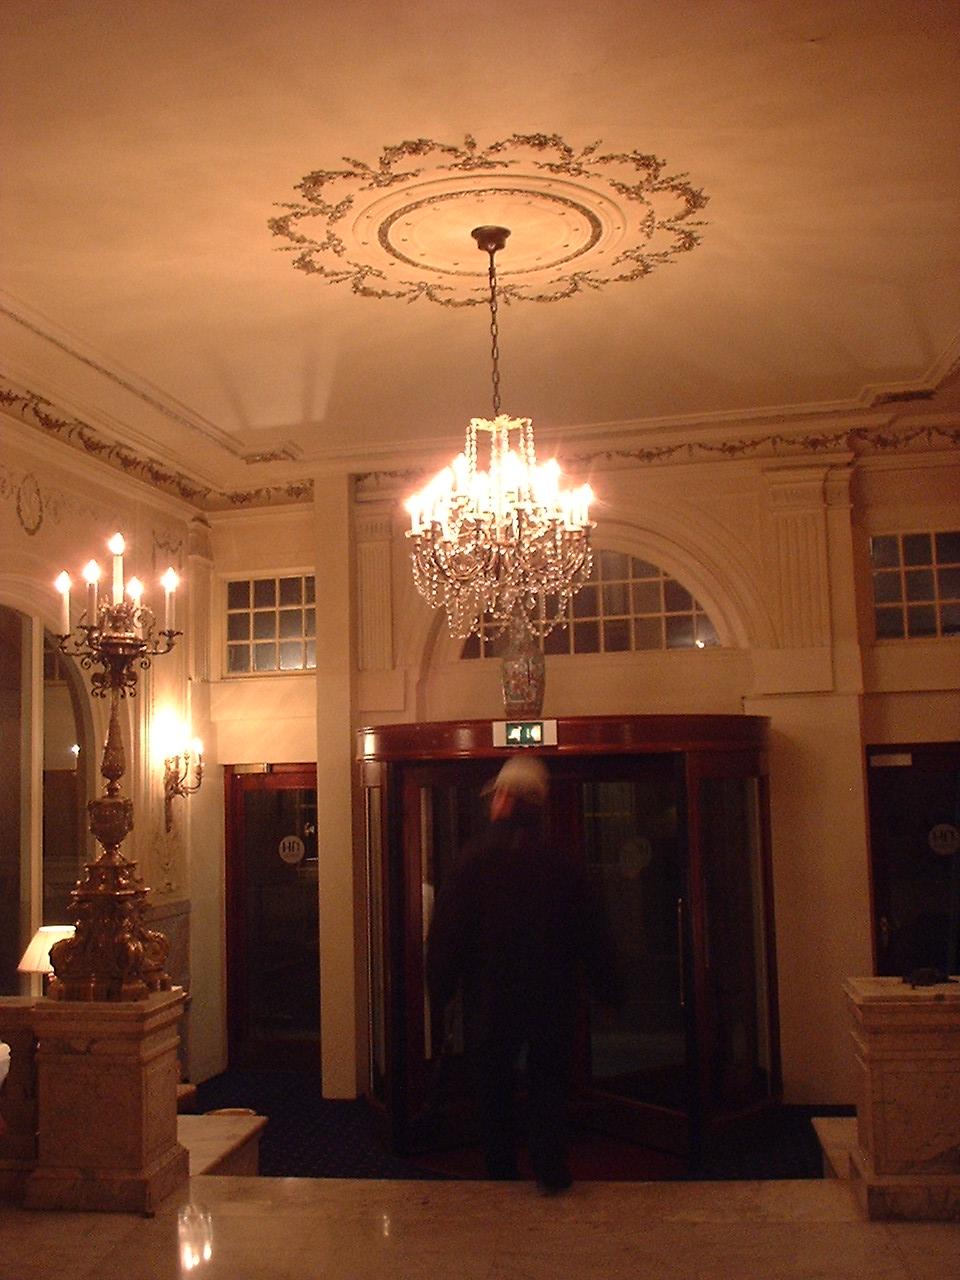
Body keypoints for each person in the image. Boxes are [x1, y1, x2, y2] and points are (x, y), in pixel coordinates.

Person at [426, 755, 620, 1193]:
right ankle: (549, 1167)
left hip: (491, 998)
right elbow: (593, 932)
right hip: (551, 996)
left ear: (506, 799)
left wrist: (440, 991)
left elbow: (448, 934)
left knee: (493, 1086)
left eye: (497, 795)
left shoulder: (473, 859)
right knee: (549, 1081)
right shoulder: (561, 861)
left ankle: (500, 1170)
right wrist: (609, 992)